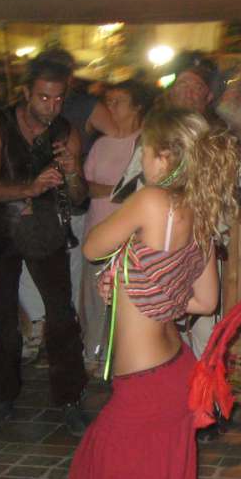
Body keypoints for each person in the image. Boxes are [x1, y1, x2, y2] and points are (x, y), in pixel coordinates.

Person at [67, 107, 237, 479]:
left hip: (144, 383)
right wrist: (150, 289)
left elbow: (92, 248)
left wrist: (139, 285)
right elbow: (206, 300)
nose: (139, 160)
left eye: (142, 150)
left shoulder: (151, 199)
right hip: (174, 369)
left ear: (164, 156)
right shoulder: (200, 208)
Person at [0, 55, 89, 436]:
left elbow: (79, 198)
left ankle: (70, 398)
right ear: (26, 92)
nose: (51, 106)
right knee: (1, 318)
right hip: (2, 226)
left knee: (61, 315)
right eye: (43, 97)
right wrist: (28, 188)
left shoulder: (65, 131)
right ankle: (2, 396)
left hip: (45, 229)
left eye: (58, 99)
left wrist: (73, 171)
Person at [80, 80, 153, 372]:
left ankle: (119, 356)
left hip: (129, 235)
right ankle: (92, 353)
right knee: (94, 298)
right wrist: (115, 191)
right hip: (97, 227)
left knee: (123, 298)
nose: (110, 108)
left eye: (118, 101)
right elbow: (85, 186)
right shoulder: (101, 144)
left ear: (136, 106)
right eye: (107, 101)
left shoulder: (145, 141)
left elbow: (137, 189)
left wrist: (109, 191)